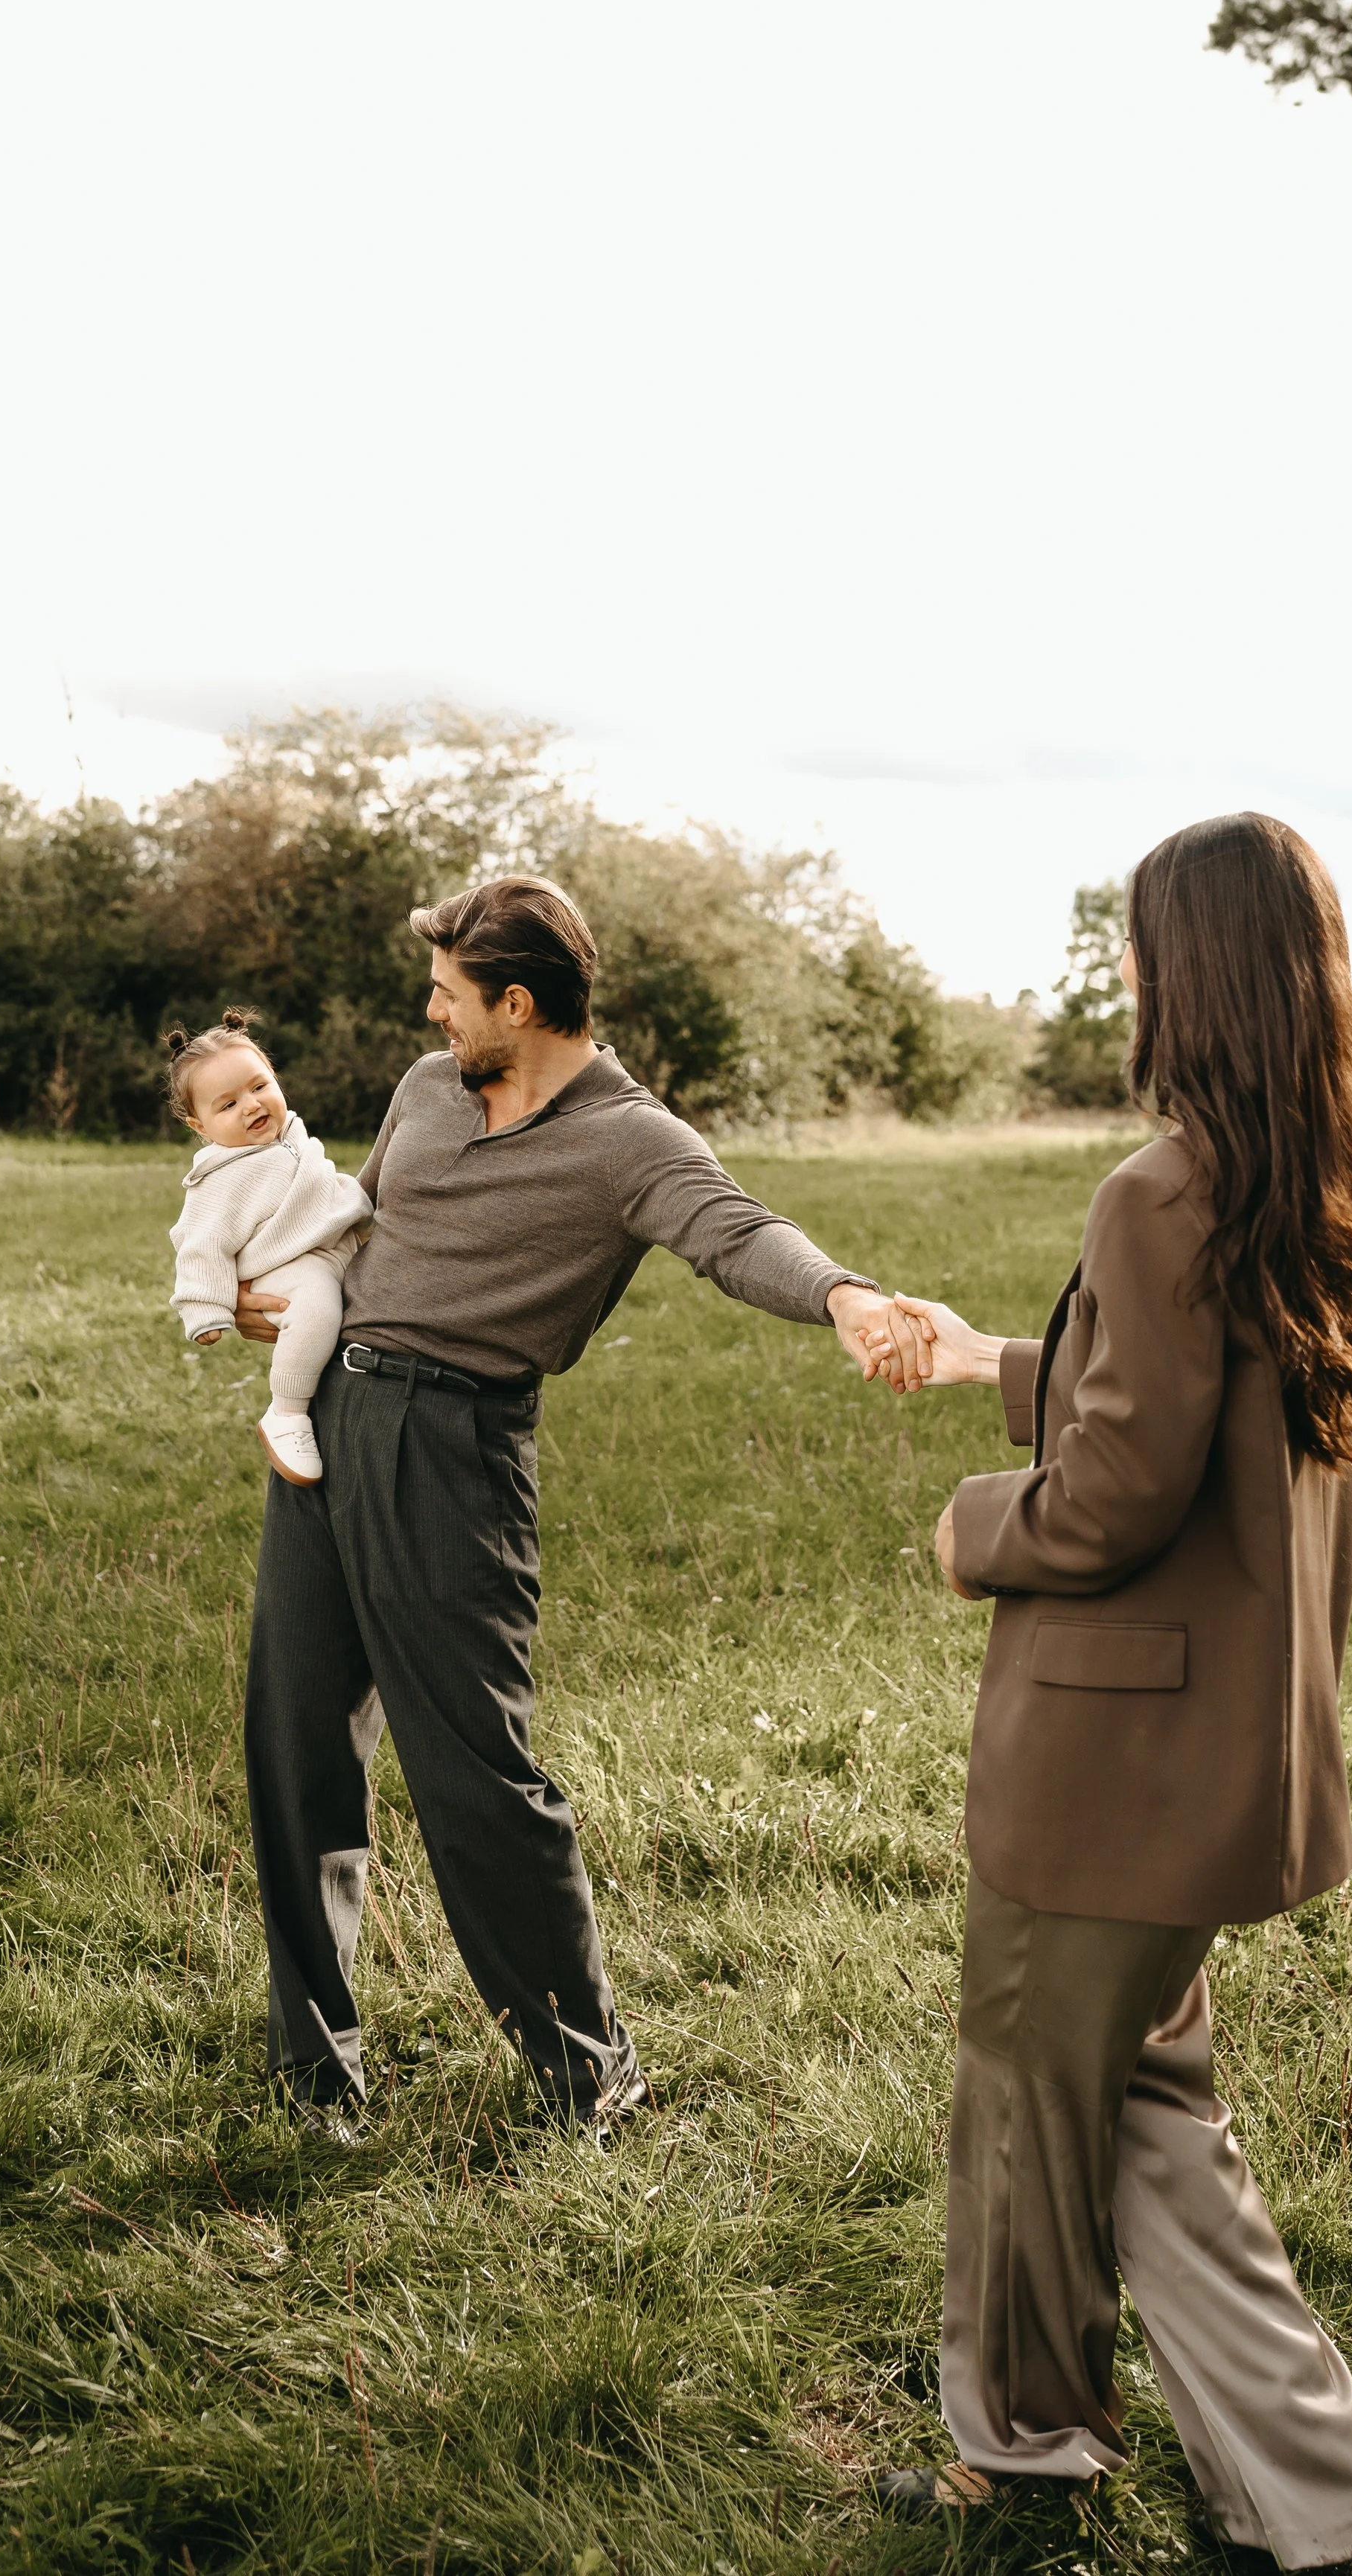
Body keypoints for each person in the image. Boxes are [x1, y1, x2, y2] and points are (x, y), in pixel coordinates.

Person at [867, 815, 1352, 2569]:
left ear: (1184, 970)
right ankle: (1307, 2489)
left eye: (1131, 939)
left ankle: (1028, 2445)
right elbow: (1180, 1394)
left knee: (1034, 2099)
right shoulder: (1302, 1167)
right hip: (1216, 1759)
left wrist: (972, 1526)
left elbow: (1112, 1492)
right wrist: (992, 1359)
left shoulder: (1159, 1184)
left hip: (1112, 1757)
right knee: (1138, 2100)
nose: (1116, 967)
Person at [229, 876, 934, 2130]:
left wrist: (844, 1298)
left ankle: (586, 2078)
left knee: (477, 1779)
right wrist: (275, 1294)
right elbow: (361, 1227)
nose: (430, 1011)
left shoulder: (629, 1140)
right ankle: (311, 2072)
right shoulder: (425, 1091)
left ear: (519, 1001)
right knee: (295, 1752)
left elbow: (735, 1233)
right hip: (329, 1426)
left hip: (453, 1451)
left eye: (452, 994)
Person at [165, 1009, 372, 1484]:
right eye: (228, 1104)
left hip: (326, 1244)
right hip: (282, 1265)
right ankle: (287, 1412)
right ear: (200, 1126)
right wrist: (206, 1308)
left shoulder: (292, 1135)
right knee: (318, 1304)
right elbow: (199, 1244)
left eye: (259, 1087)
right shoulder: (219, 1177)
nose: (252, 1106)